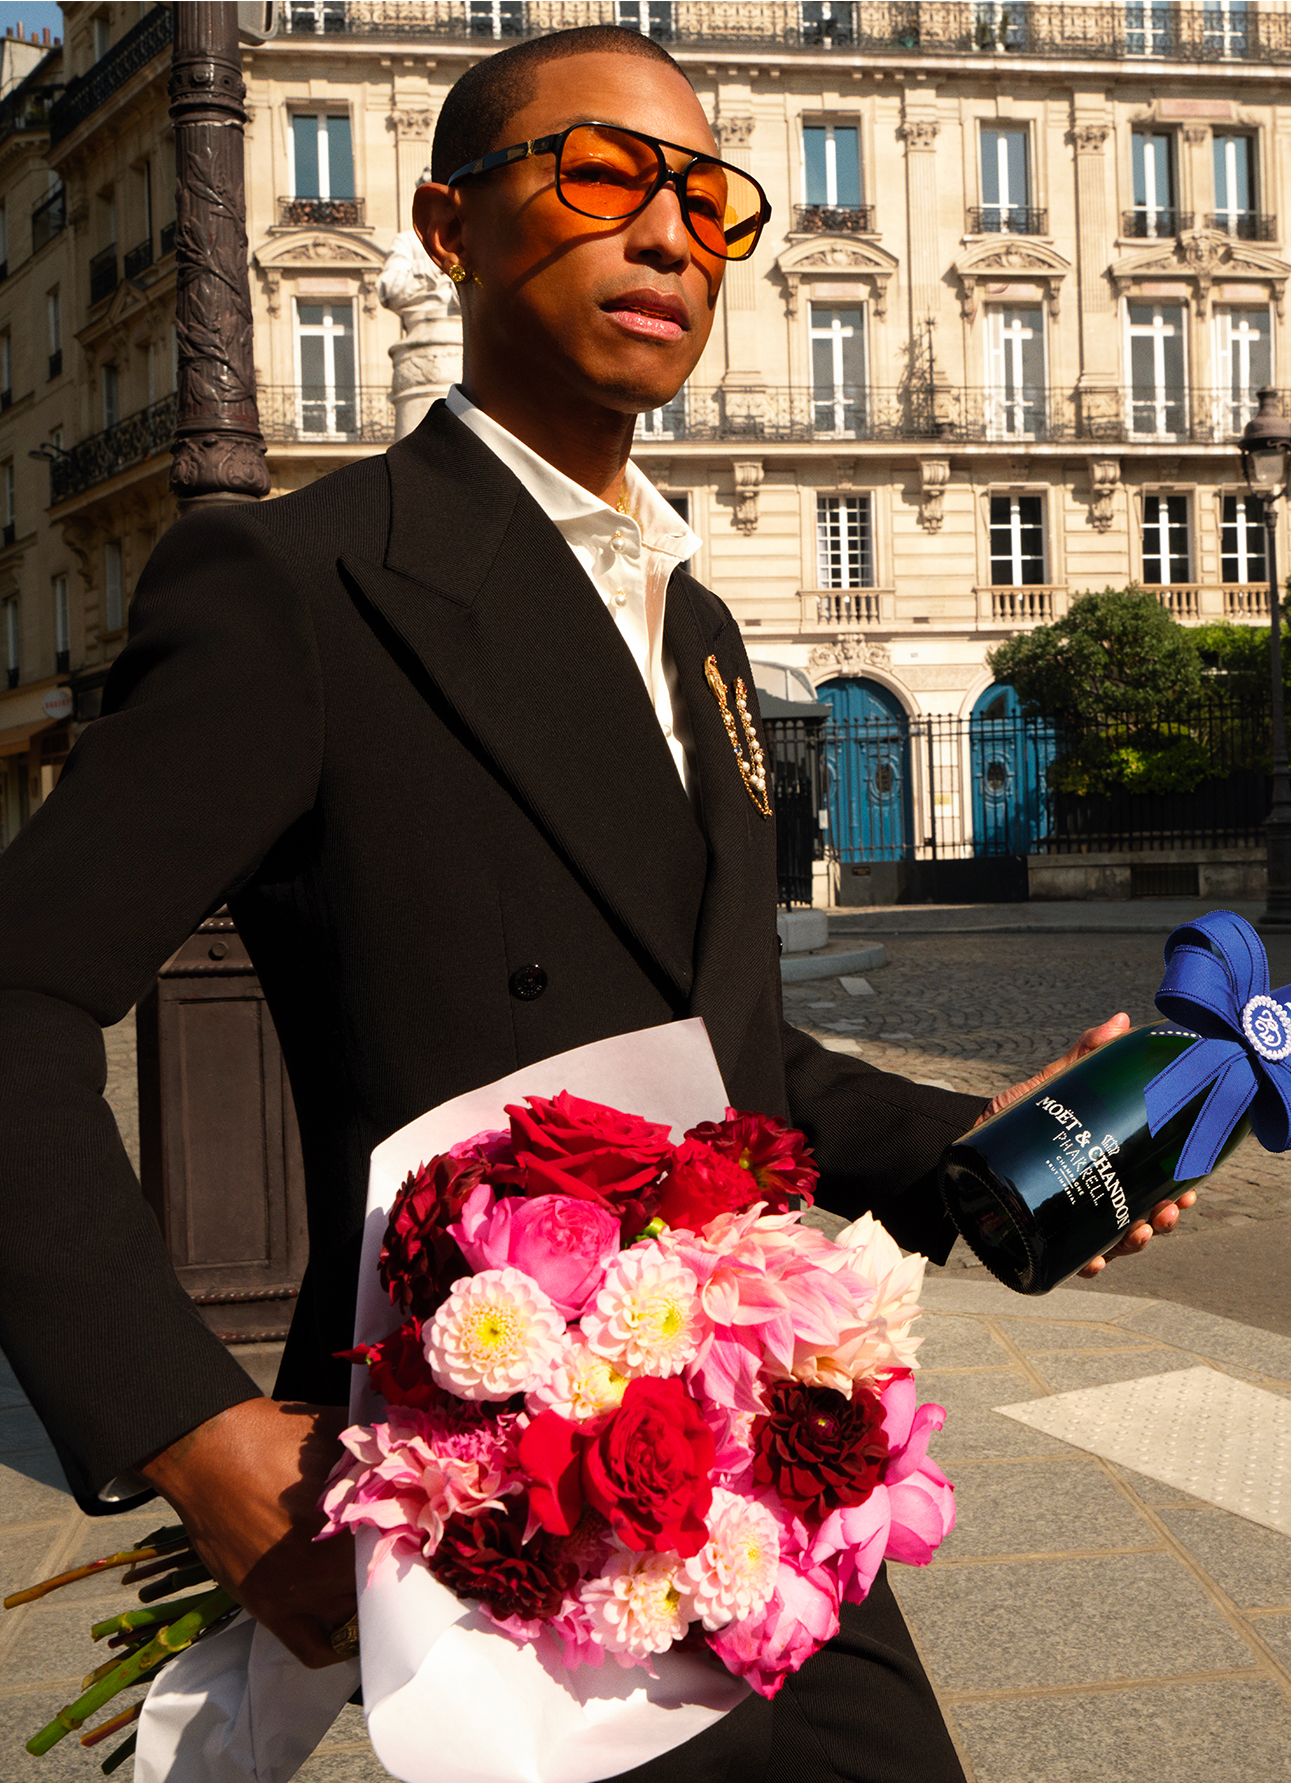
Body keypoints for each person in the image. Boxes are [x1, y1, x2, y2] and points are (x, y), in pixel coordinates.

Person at [0, 27, 1192, 1781]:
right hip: (500, 1490)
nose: (667, 235)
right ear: (448, 225)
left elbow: (716, 1042)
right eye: (599, 175)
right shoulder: (302, 587)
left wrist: (979, 1144)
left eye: (705, 199)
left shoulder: (697, 629)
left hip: (751, 1460)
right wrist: (184, 1427)